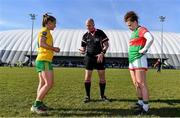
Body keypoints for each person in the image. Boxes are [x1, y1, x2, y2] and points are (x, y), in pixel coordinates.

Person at [124, 11, 154, 115]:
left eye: (130, 25)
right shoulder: (133, 32)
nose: (129, 27)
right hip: (132, 61)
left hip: (139, 59)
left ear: (135, 22)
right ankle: (140, 103)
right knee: (136, 84)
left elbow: (150, 38)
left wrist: (144, 49)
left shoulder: (140, 29)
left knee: (142, 84)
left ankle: (145, 108)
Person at [31, 13, 60, 114]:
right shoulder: (44, 31)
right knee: (49, 83)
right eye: (54, 24)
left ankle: (39, 103)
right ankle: (36, 105)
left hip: (41, 59)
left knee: (42, 83)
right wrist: (54, 48)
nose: (55, 26)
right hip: (44, 60)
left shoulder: (46, 31)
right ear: (48, 23)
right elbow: (42, 43)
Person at [79, 18, 109, 103]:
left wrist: (102, 53)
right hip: (89, 58)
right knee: (87, 78)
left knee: (102, 79)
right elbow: (83, 47)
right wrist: (83, 51)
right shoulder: (85, 35)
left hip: (100, 57)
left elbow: (106, 45)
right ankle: (87, 96)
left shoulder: (100, 32)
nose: (87, 27)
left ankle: (102, 96)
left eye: (89, 25)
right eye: (86, 25)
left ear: (93, 24)